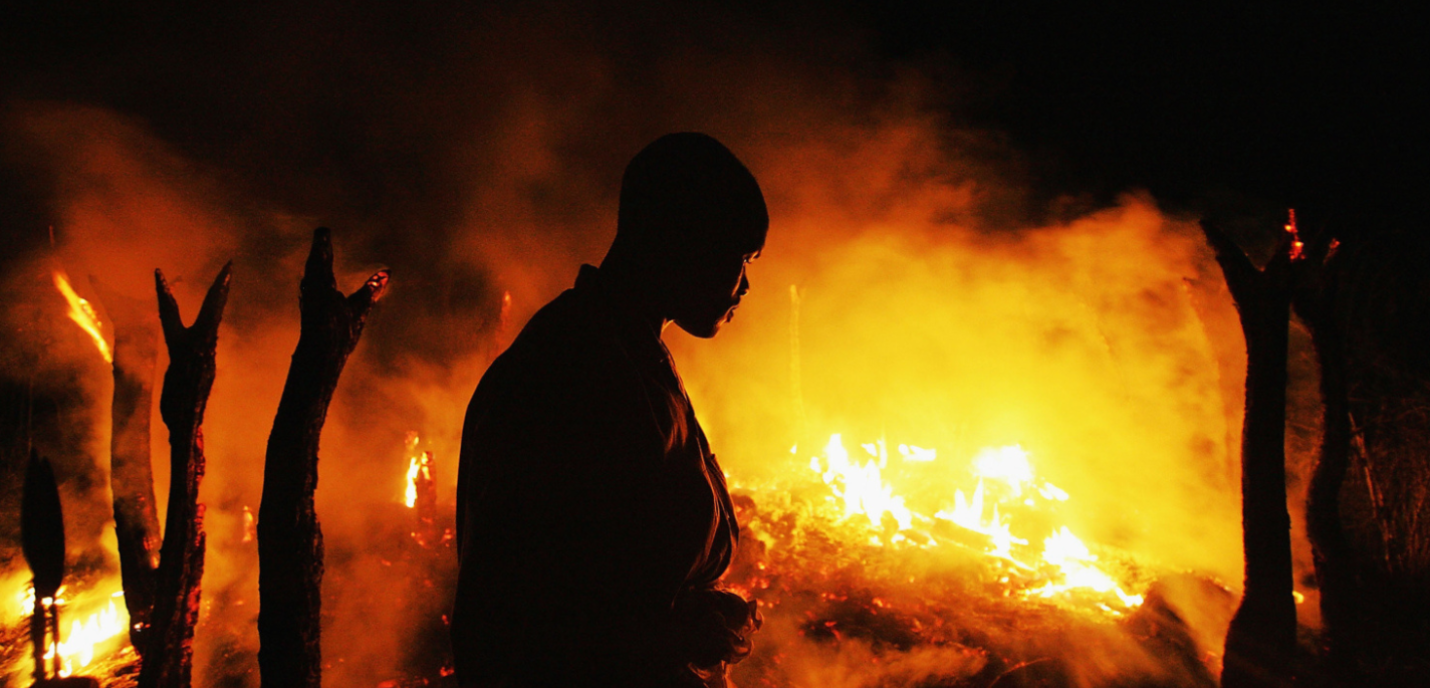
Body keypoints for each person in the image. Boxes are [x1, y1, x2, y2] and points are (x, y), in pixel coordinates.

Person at [452, 133, 766, 687]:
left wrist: (695, 611)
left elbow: (621, 565)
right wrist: (681, 630)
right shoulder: (577, 370)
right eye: (738, 256)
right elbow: (547, 614)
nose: (744, 285)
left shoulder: (626, 351)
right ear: (679, 238)